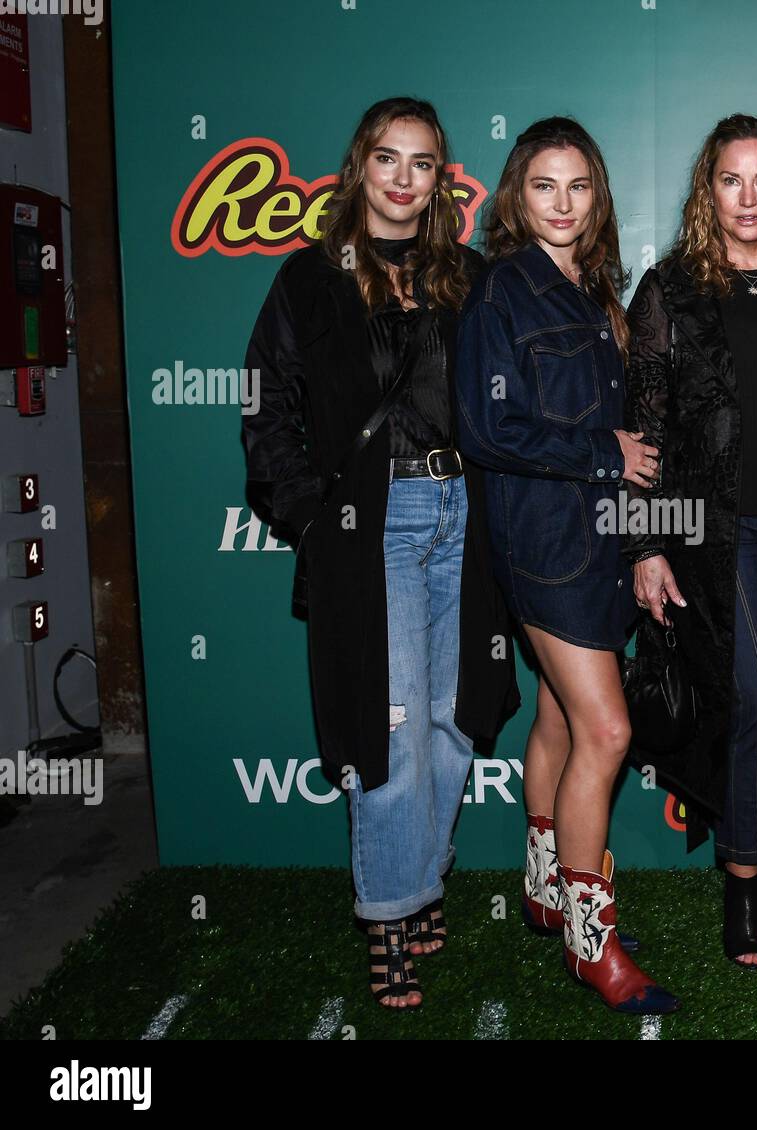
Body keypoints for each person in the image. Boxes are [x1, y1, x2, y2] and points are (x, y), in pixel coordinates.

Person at [242, 96, 519, 1009]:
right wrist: (311, 516)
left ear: (444, 178)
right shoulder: (310, 279)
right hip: (375, 524)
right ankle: (390, 914)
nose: (403, 180)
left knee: (450, 719)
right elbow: (267, 405)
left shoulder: (467, 277)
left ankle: (421, 875)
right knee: (391, 727)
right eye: (388, 160)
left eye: (423, 163)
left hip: (463, 516)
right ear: (361, 165)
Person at [456, 117, 678, 1015]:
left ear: (597, 199)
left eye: (578, 187)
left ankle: (546, 889)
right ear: (518, 195)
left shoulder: (596, 290)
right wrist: (602, 456)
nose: (562, 203)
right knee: (608, 733)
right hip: (541, 545)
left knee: (556, 716)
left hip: (594, 543)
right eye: (545, 186)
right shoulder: (500, 291)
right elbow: (486, 430)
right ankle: (593, 941)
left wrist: (635, 536)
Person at [623, 115, 757, 968]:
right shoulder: (670, 290)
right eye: (730, 179)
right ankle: (741, 874)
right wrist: (642, 548)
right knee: (751, 699)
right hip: (717, 536)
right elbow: (641, 431)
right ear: (706, 188)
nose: (748, 198)